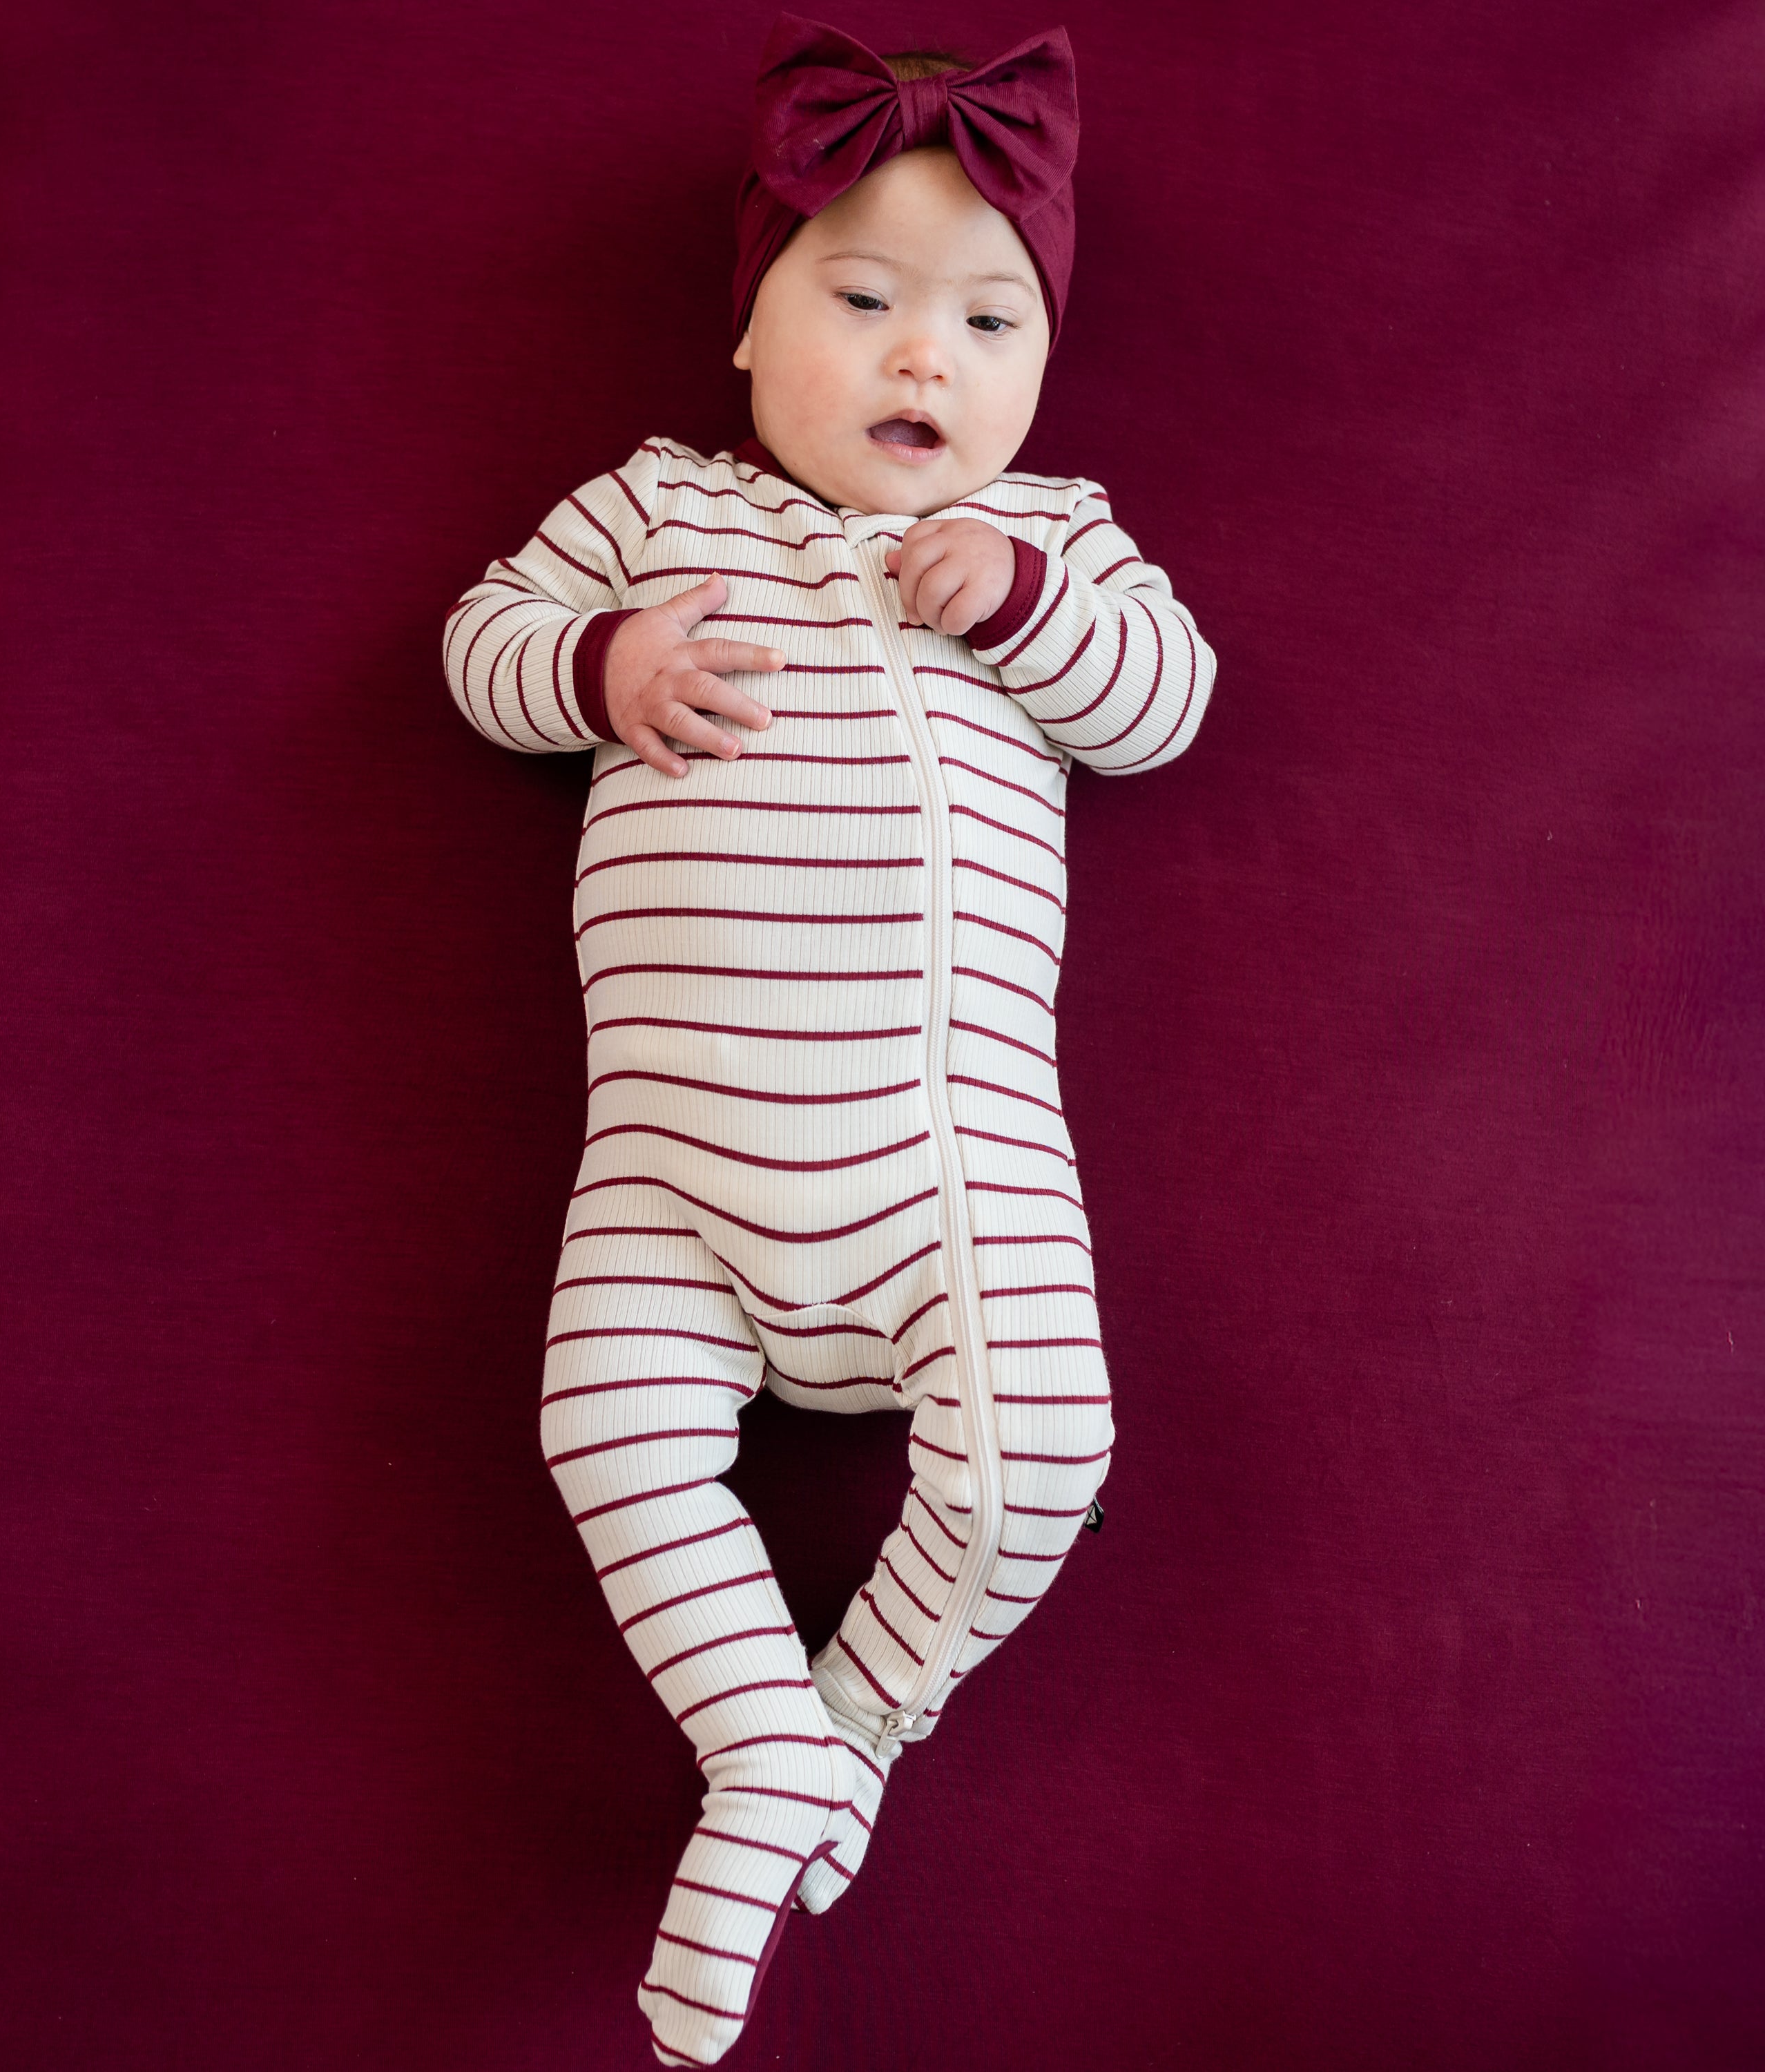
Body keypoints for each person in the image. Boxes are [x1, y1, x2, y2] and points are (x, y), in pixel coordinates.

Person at [442, 17, 1214, 2063]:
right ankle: (760, 1745)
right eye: (859, 299)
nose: (918, 362)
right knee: (601, 1428)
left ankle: (851, 1722)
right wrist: (603, 664)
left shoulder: (1064, 535)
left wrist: (1036, 604)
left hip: (943, 1169)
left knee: (1043, 1454)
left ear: (1037, 375)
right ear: (746, 334)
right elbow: (478, 648)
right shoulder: (650, 515)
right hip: (671, 1182)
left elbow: (1168, 701)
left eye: (983, 321)